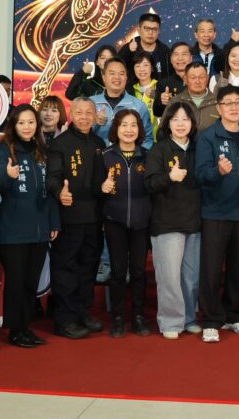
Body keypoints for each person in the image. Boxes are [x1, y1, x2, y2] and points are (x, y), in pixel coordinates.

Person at [196, 85, 239, 343]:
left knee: (238, 268)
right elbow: (201, 174)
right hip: (216, 212)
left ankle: (233, 314)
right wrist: (218, 172)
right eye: (228, 103)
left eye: (238, 103)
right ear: (219, 108)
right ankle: (211, 319)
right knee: (212, 269)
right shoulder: (208, 137)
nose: (234, 107)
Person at [0, 104, 58, 349]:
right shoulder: (4, 150)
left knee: (31, 282)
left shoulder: (42, 150)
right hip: (13, 229)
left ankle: (25, 326)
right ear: (13, 125)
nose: (27, 127)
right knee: (17, 282)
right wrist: (7, 176)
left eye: (31, 122)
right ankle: (15, 330)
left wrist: (53, 221)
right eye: (21, 123)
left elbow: (50, 190)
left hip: (39, 228)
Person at [46, 97, 105, 340]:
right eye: (79, 112)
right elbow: (52, 177)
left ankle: (82, 312)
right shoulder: (60, 143)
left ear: (95, 116)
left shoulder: (99, 143)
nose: (84, 117)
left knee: (88, 267)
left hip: (94, 217)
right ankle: (65, 319)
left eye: (89, 113)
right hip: (69, 217)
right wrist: (59, 191)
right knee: (66, 268)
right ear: (71, 114)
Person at [145, 101, 202, 339]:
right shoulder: (158, 150)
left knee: (191, 277)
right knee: (169, 277)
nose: (180, 124)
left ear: (192, 123)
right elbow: (149, 184)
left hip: (194, 222)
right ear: (167, 123)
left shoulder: (198, 149)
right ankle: (170, 321)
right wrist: (169, 177)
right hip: (167, 223)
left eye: (185, 119)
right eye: (175, 119)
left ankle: (189, 318)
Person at [96, 109, 152, 338]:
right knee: (118, 271)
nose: (129, 130)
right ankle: (118, 317)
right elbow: (95, 188)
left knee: (138, 271)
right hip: (114, 220)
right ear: (116, 128)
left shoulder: (148, 156)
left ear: (139, 129)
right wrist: (102, 188)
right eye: (124, 125)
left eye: (133, 125)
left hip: (141, 221)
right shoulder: (105, 156)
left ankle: (138, 316)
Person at [91, 57, 155, 149]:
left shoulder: (139, 106)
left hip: (129, 157)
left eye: (121, 74)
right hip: (96, 156)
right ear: (103, 77)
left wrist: (137, 156)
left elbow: (147, 139)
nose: (117, 77)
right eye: (112, 73)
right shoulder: (91, 104)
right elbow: (79, 134)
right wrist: (94, 122)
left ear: (126, 78)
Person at [166, 63, 219, 133]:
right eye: (193, 78)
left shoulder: (218, 102)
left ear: (207, 78)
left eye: (201, 77)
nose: (197, 81)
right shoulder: (175, 101)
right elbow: (163, 131)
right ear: (185, 79)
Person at [119, 12, 171, 80]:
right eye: (147, 29)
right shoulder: (128, 49)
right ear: (139, 30)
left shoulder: (165, 51)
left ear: (159, 31)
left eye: (154, 29)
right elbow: (117, 69)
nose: (150, 33)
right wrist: (128, 51)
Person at [154, 42, 193, 119]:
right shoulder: (163, 83)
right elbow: (156, 112)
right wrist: (162, 103)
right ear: (171, 59)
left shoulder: (199, 80)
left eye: (184, 54)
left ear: (191, 58)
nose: (180, 58)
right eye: (176, 54)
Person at [130, 52, 159, 136]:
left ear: (152, 68)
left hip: (157, 138)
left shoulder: (161, 87)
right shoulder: (130, 90)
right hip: (135, 138)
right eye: (138, 66)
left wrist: (157, 96)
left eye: (145, 65)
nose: (141, 69)